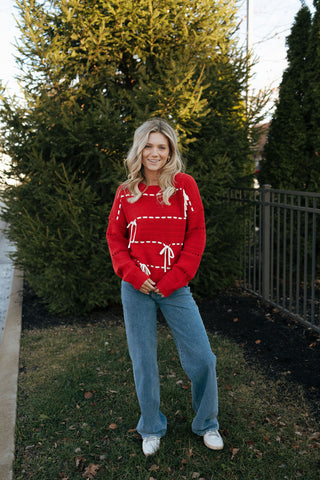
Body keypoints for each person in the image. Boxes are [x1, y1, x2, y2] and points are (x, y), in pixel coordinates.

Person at [106, 118, 223, 456]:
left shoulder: (185, 186)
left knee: (203, 357)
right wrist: (130, 272)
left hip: (175, 286)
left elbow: (196, 233)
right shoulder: (126, 192)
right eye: (148, 146)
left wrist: (175, 278)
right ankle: (151, 426)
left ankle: (206, 423)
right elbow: (115, 238)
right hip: (136, 287)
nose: (154, 153)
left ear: (170, 151)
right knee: (143, 360)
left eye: (162, 146)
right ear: (138, 149)